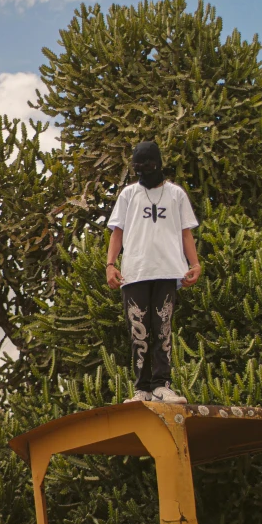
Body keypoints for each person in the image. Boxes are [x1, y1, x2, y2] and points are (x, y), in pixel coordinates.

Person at [106, 141, 201, 404]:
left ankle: (162, 385)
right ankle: (142, 389)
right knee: (139, 331)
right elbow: (118, 231)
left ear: (159, 164)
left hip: (168, 270)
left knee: (163, 329)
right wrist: (110, 264)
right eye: (138, 168)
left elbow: (186, 232)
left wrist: (194, 264)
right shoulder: (128, 194)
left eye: (148, 166)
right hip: (134, 272)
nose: (143, 172)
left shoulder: (176, 194)